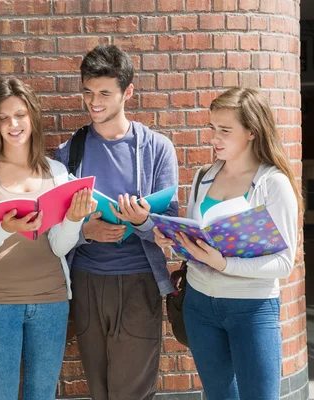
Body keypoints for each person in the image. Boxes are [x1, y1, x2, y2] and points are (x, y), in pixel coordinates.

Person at [154, 87, 300, 400]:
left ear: (251, 132)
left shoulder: (272, 183)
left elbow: (284, 264)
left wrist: (224, 264)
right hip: (199, 306)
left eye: (225, 130)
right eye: (212, 128)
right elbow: (197, 238)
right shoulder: (204, 176)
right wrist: (173, 239)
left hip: (252, 309)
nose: (214, 138)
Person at [54, 44, 179, 400]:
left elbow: (170, 229)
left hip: (139, 283)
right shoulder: (68, 153)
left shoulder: (157, 149)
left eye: (104, 94)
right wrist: (85, 232)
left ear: (128, 93)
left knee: (132, 392)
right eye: (88, 92)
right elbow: (56, 224)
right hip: (87, 283)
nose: (94, 102)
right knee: (100, 388)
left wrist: (141, 221)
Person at [0, 78, 93, 399]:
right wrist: (6, 228)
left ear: (32, 116)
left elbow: (60, 246)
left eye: (19, 115)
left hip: (49, 302)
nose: (13, 125)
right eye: (3, 118)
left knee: (42, 395)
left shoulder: (57, 173)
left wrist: (73, 220)